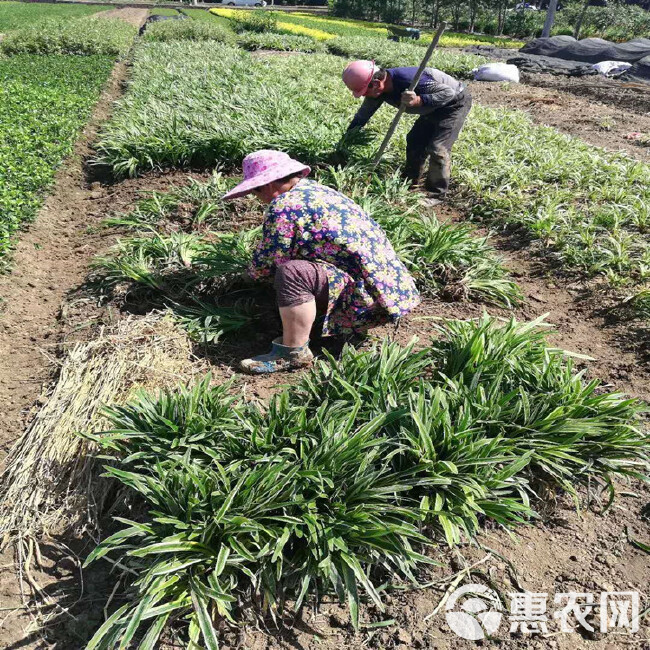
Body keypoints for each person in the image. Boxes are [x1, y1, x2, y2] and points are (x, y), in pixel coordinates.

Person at [222, 149, 421, 375]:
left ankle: (292, 352)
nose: (258, 198)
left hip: (363, 295)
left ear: (266, 185)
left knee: (292, 273)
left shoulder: (284, 206)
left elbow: (270, 261)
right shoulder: (317, 191)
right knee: (297, 269)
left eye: (255, 192)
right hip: (389, 290)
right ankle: (321, 324)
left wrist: (245, 278)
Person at [342, 60, 472, 202]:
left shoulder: (410, 80)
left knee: (438, 148)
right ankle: (410, 181)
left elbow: (448, 93)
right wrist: (347, 138)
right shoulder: (377, 90)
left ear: (376, 84)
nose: (363, 95)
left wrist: (419, 100)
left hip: (454, 103)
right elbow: (363, 115)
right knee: (415, 140)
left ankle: (437, 193)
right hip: (433, 107)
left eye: (364, 91)